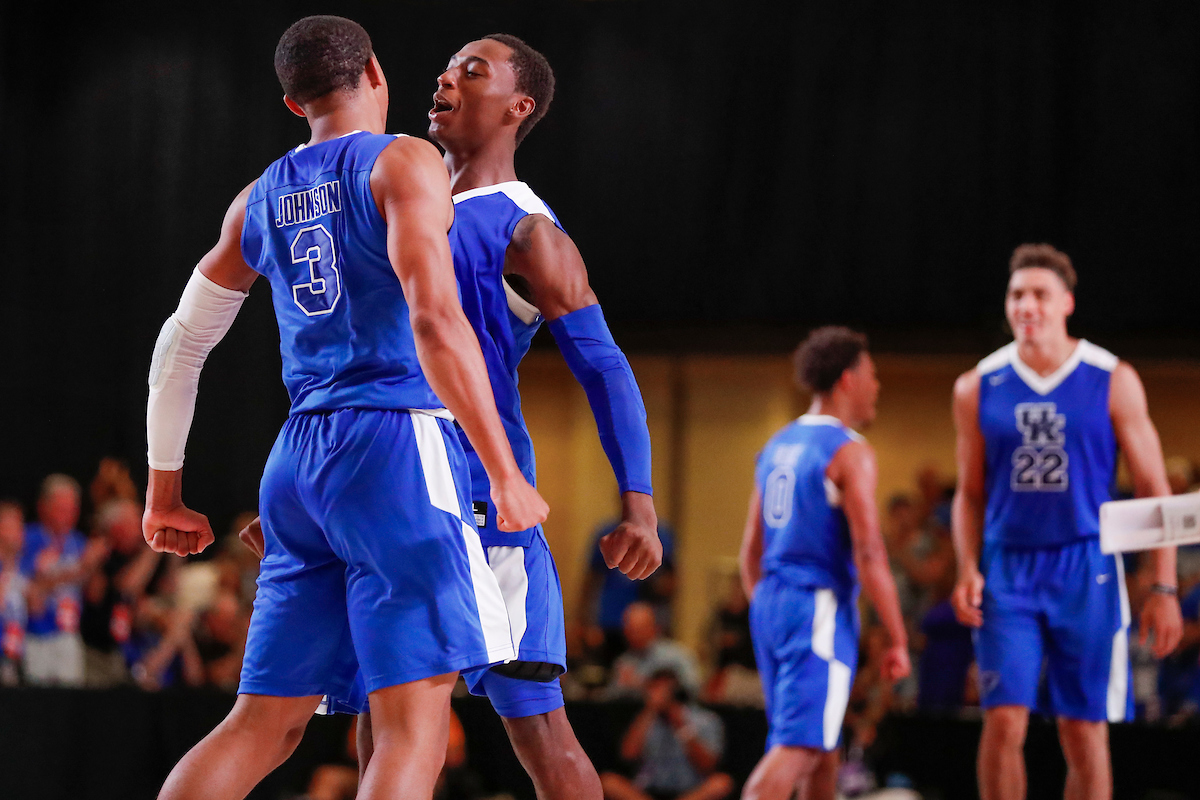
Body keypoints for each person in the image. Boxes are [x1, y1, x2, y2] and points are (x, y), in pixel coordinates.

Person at [140, 16, 546, 800]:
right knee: (413, 727)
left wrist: (164, 492)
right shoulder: (403, 160)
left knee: (262, 724)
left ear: (294, 105)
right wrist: (503, 470)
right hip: (396, 443)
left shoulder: (258, 197)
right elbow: (435, 319)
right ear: (374, 72)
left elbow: (179, 343)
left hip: (298, 463)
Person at [309, 33, 661, 800]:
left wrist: (639, 503)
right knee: (386, 710)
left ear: (519, 105)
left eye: (473, 70)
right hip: (391, 492)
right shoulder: (396, 194)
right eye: (445, 67)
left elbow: (604, 367)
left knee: (536, 725)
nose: (446, 77)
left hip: (482, 502)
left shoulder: (527, 229)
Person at [949, 243, 1183, 800]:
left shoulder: (1111, 377)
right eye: (1016, 294)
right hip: (1008, 568)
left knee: (1083, 729)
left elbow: (1155, 487)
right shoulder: (977, 385)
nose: (1026, 304)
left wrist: (1164, 584)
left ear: (1066, 304)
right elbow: (969, 493)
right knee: (1004, 721)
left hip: (1086, 565)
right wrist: (965, 565)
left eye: (1039, 294)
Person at [738, 326, 910, 800]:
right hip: (817, 604)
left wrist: (773, 609)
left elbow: (749, 552)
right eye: (871, 375)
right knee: (797, 749)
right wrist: (897, 636)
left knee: (821, 747)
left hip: (771, 601)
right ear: (849, 379)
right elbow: (870, 552)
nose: (877, 387)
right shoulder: (848, 450)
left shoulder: (776, 445)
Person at [21, 474, 106, 685]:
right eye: (61, 509)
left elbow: (94, 595)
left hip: (68, 635)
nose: (67, 516)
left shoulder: (78, 542)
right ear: (43, 507)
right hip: (36, 634)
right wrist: (80, 568)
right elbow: (30, 589)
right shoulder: (28, 539)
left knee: (70, 700)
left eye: (72, 509)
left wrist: (96, 566)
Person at [599, 667, 732, 800]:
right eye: (654, 689)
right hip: (647, 793)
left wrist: (681, 726)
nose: (660, 695)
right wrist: (650, 710)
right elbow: (627, 755)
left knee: (721, 783)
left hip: (689, 794)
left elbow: (708, 765)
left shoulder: (705, 719)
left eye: (665, 690)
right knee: (608, 781)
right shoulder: (645, 719)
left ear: (677, 691)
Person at [80, 497, 163, 686]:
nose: (140, 530)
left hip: (119, 649)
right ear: (117, 527)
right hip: (93, 651)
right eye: (135, 523)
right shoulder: (101, 553)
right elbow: (127, 586)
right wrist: (155, 545)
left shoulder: (130, 557)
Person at [605, 601, 701, 701]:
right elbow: (609, 698)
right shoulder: (624, 661)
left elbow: (693, 689)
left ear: (654, 628)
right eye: (630, 630)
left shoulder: (677, 656)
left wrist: (646, 686)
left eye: (638, 630)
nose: (634, 635)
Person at [0, 500, 28, 686]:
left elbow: (36, 605)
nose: (20, 533)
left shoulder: (21, 567)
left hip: (13, 655)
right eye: (13, 526)